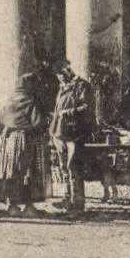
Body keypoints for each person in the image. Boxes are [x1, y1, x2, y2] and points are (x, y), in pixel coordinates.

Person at [0, 72, 47, 217]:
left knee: (10, 172)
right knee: (29, 172)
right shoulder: (30, 102)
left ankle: (12, 206)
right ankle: (29, 207)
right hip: (26, 140)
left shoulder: (10, 101)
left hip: (8, 141)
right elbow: (38, 124)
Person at [49, 59, 97, 215]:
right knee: (63, 167)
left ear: (69, 69)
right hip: (60, 132)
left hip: (75, 133)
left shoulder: (82, 86)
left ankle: (77, 202)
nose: (60, 77)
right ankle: (67, 197)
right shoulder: (62, 87)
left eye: (62, 73)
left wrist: (69, 112)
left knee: (73, 167)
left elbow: (87, 107)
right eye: (58, 75)